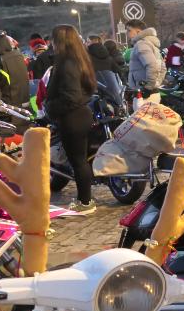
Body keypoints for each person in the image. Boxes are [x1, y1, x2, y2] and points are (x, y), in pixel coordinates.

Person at [46, 24, 98, 214]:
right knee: (79, 161)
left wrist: (51, 107)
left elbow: (70, 96)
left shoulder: (67, 63)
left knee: (78, 161)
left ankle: (85, 202)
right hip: (80, 114)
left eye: (53, 39)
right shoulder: (80, 60)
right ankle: (85, 200)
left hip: (72, 117)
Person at [125, 19, 165, 102]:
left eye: (129, 30)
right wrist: (156, 84)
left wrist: (148, 88)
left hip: (144, 95)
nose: (127, 33)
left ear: (138, 32)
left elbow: (152, 65)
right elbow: (163, 67)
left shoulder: (141, 44)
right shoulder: (150, 43)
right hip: (151, 93)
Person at [87, 35, 125, 114]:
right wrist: (123, 82)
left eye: (88, 42)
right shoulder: (107, 56)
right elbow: (118, 70)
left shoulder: (87, 57)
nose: (86, 43)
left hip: (96, 90)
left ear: (91, 43)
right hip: (112, 91)